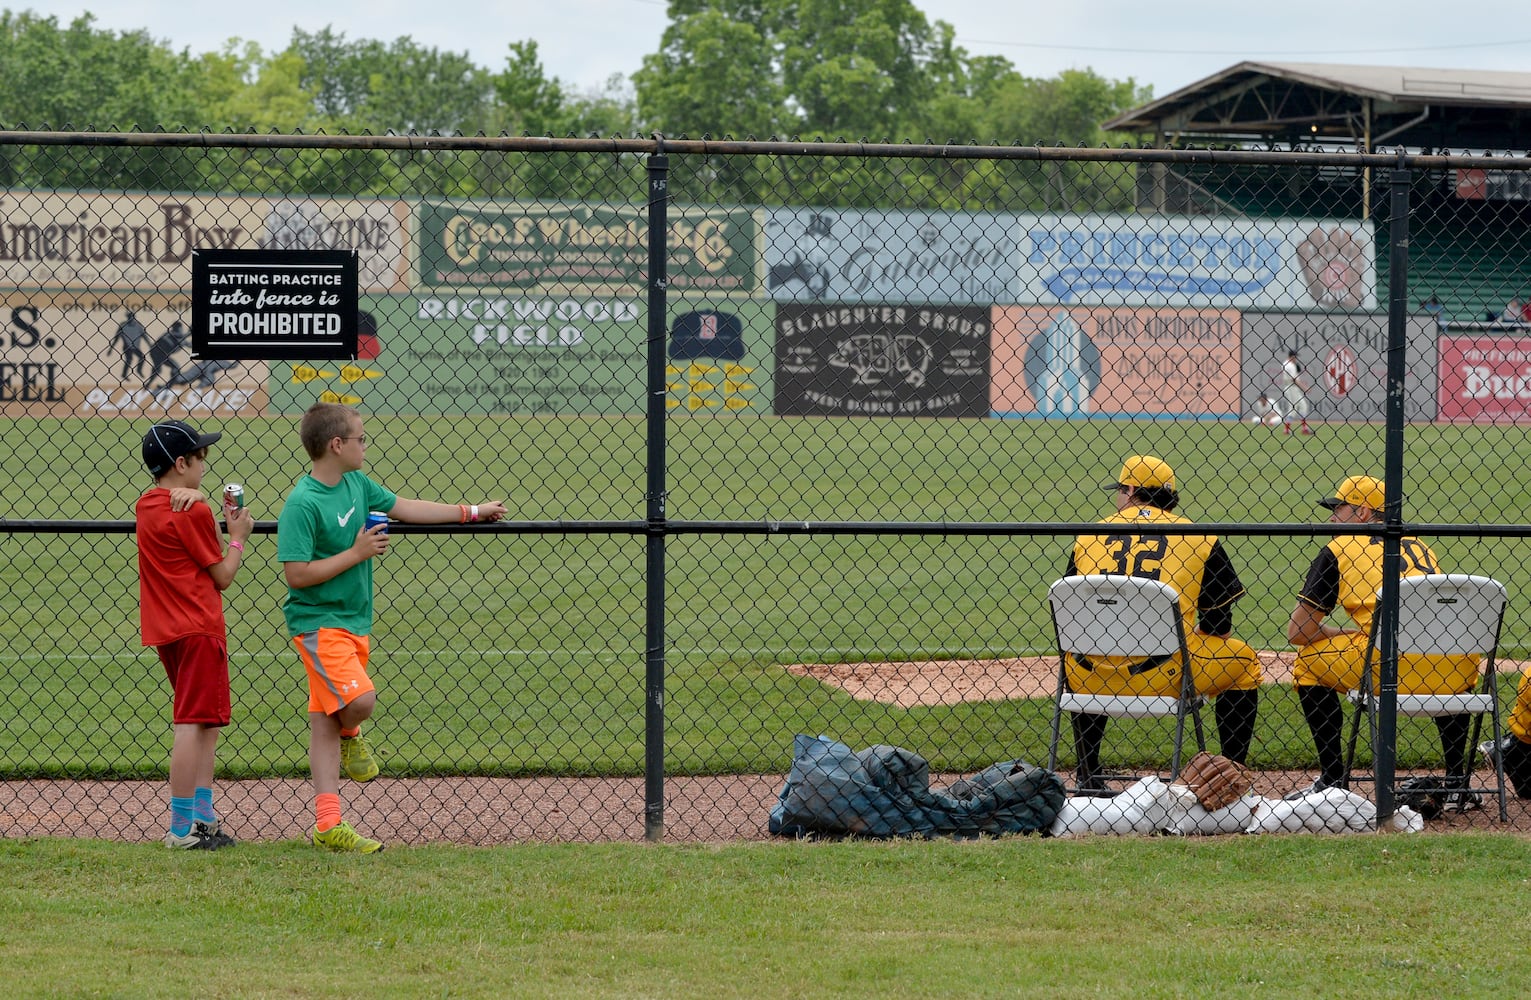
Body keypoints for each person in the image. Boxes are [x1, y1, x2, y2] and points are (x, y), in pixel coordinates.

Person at [276, 402, 508, 853]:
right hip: (317, 623)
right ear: (336, 445)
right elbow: (297, 574)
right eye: (360, 438)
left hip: (353, 621)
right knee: (359, 702)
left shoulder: (358, 484)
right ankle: (353, 735)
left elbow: (407, 507)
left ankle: (327, 825)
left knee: (325, 717)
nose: (366, 445)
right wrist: (357, 552)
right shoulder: (302, 503)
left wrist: (472, 511)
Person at [1061, 456, 1262, 792]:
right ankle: (1231, 778)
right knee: (1244, 661)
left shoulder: (1089, 535)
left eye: (1121, 490)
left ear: (1131, 490)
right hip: (1166, 676)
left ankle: (1088, 775)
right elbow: (1218, 626)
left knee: (1086, 646)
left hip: (1085, 678)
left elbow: (1070, 615)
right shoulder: (1199, 538)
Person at [1286, 475, 1481, 803]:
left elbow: (1299, 633)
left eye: (1339, 508)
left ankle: (1333, 780)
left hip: (1385, 665)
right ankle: (1457, 782)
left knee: (1306, 663)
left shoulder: (1339, 547)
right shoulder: (1420, 544)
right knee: (1445, 657)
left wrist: (1347, 634)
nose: (1332, 516)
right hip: (1455, 671)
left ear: (1362, 512)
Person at [136, 419, 254, 849]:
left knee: (204, 722)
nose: (205, 464)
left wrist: (200, 496)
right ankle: (182, 827)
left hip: (167, 629)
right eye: (200, 457)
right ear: (181, 463)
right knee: (190, 724)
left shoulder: (146, 503)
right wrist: (238, 537)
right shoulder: (196, 511)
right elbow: (222, 575)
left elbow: (169, 505)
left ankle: (202, 817)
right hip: (199, 627)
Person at [1280, 350, 1312, 436]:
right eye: (1295, 357)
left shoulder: (1286, 363)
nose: (1296, 358)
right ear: (1292, 356)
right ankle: (1286, 429)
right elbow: (1294, 380)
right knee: (1293, 408)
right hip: (1291, 387)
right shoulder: (1290, 365)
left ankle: (1304, 428)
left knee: (1303, 406)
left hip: (1292, 387)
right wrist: (1305, 388)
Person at [114, 310, 148, 380]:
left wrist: (150, 344)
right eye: (130, 317)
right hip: (127, 347)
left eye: (132, 317)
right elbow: (116, 337)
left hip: (135, 347)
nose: (131, 318)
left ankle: (139, 370)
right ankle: (124, 374)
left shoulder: (138, 325)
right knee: (129, 360)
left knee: (142, 357)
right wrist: (111, 348)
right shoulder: (123, 325)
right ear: (128, 317)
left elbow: (144, 336)